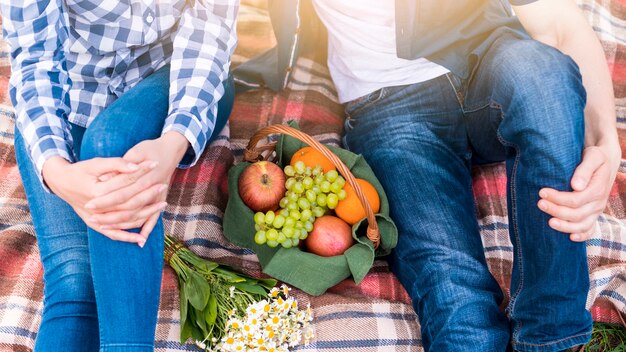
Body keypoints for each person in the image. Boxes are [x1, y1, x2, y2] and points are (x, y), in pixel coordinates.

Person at [235, 0, 621, 351]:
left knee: (541, 75)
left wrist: (606, 143)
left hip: (489, 57)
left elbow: (559, 22)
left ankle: (550, 336)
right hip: (389, 102)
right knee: (454, 293)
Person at [1, 0, 238, 350]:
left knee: (109, 141)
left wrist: (172, 146)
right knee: (73, 288)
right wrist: (59, 174)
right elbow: (36, 61)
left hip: (177, 81)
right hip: (70, 98)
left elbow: (210, 31)